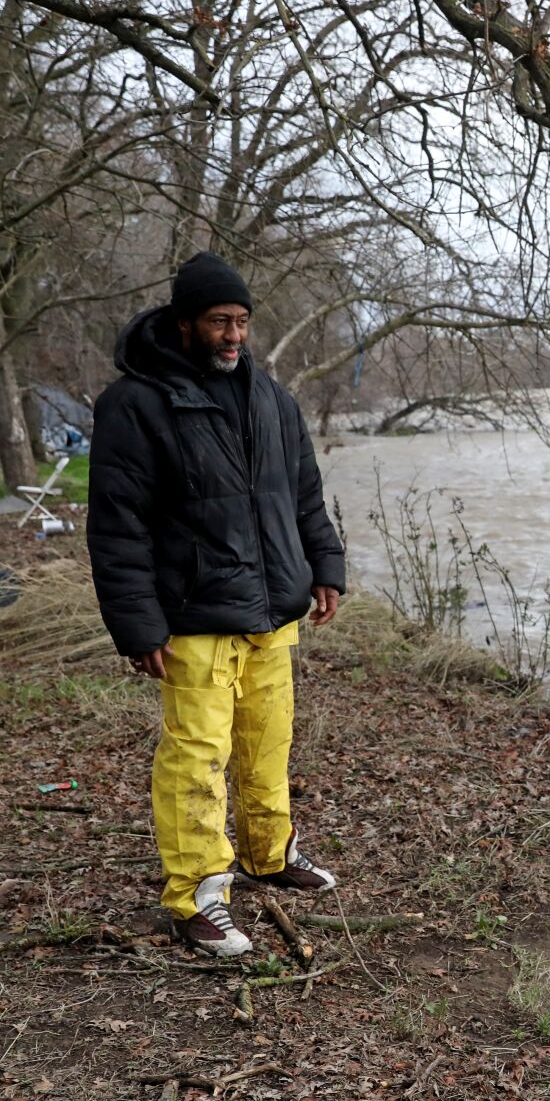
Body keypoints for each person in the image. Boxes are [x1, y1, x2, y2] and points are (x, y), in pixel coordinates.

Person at [87, 252, 346, 957]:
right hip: (193, 618)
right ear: (184, 324)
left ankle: (270, 853)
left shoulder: (271, 398)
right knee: (196, 759)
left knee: (268, 744)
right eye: (219, 322)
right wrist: (137, 623)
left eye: (241, 322)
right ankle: (197, 896)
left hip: (273, 611)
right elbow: (117, 526)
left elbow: (302, 496)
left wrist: (325, 565)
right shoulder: (135, 404)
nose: (233, 335)